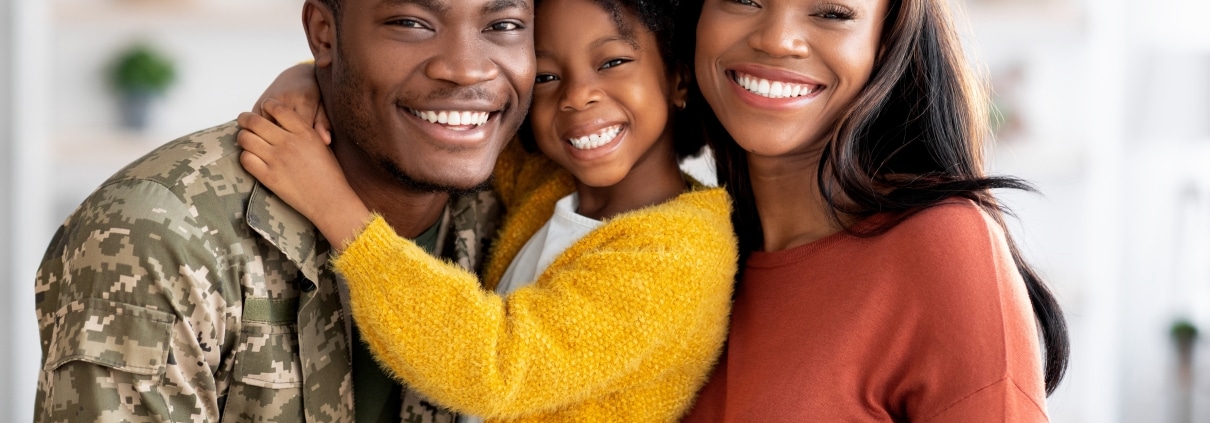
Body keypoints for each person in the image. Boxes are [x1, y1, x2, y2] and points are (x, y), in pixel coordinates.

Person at [32, 0, 535, 421]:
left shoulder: (528, 212)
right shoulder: (163, 231)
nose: (467, 68)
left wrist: (304, 73)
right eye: (410, 23)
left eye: (505, 25)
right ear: (323, 34)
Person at [239, 0, 736, 421]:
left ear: (678, 79)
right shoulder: (548, 185)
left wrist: (333, 206)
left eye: (612, 63)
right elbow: (449, 122)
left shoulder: (681, 252)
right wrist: (312, 76)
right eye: (547, 76)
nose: (577, 96)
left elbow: (493, 366)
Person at [674, 0, 1070, 420]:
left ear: (886, 43)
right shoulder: (677, 254)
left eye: (832, 13)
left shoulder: (943, 246)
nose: (776, 40)